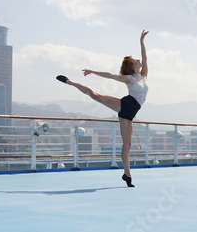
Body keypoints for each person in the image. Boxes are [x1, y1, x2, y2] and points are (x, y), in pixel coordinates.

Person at [56, 30, 149, 187]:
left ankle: (127, 175)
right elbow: (110, 75)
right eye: (136, 60)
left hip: (131, 113)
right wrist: (92, 71)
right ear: (132, 66)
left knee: (128, 145)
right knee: (95, 95)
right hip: (126, 104)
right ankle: (70, 82)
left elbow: (145, 56)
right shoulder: (129, 78)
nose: (140, 60)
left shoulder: (144, 74)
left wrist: (141, 41)